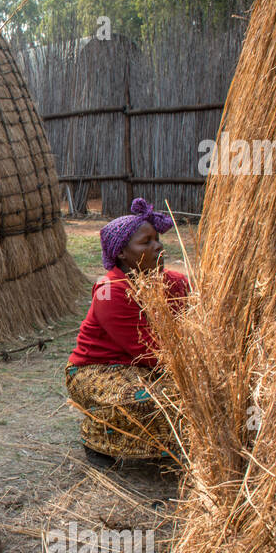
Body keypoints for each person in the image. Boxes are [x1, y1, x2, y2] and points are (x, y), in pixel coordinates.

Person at [66, 197, 190, 464]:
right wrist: (191, 370)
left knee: (191, 393)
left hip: (145, 365)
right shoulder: (110, 292)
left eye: (156, 239)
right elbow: (145, 349)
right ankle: (99, 439)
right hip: (98, 368)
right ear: (122, 253)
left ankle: (168, 446)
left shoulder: (170, 282)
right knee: (147, 400)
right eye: (146, 242)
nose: (158, 247)